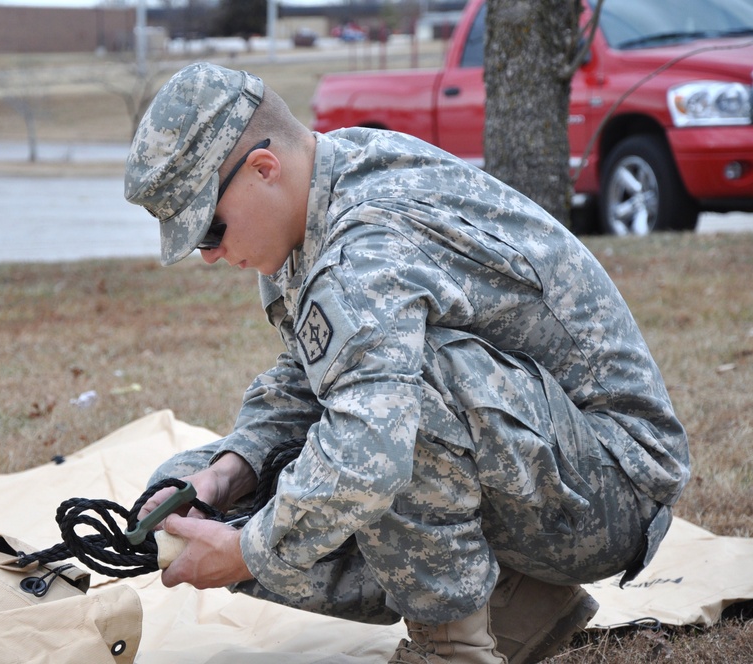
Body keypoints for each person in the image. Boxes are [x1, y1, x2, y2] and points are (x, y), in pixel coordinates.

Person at [123, 62, 690, 664]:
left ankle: (454, 650)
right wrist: (226, 474)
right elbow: (309, 378)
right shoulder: (317, 196)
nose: (209, 256)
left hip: (617, 486)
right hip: (547, 466)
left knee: (388, 420)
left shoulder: (365, 246)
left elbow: (370, 442)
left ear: (265, 169)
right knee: (218, 498)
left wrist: (244, 552)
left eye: (210, 229)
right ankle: (517, 605)